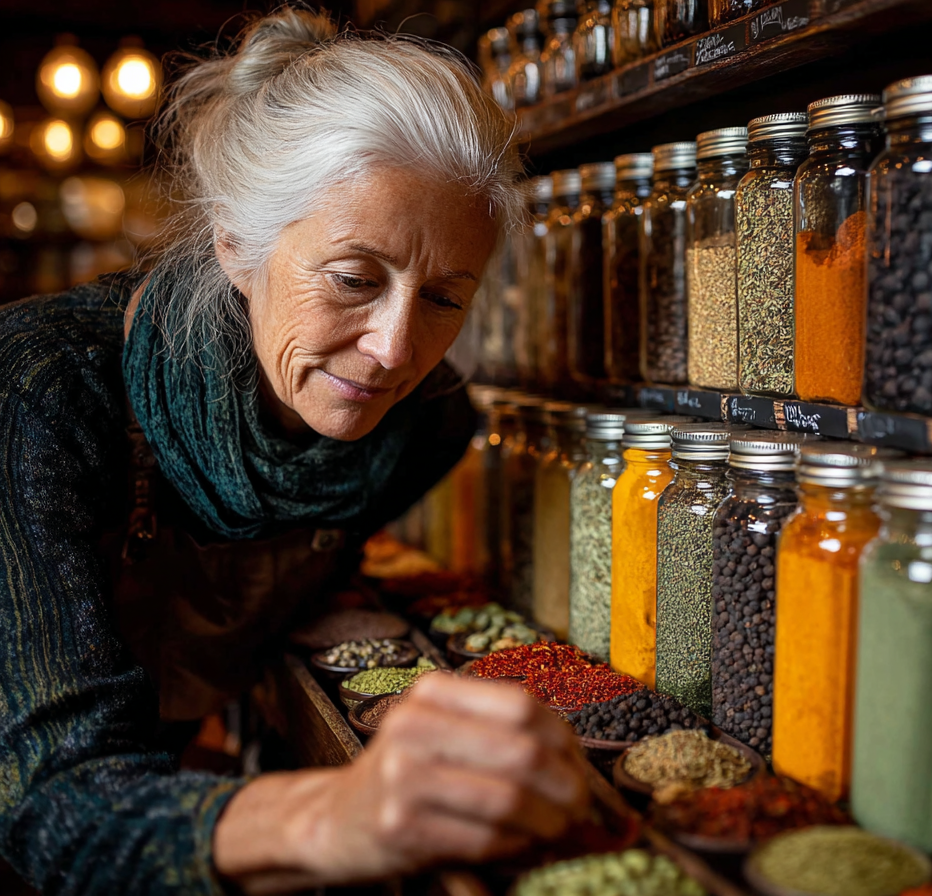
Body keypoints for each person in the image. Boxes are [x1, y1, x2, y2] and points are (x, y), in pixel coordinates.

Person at [0, 9, 588, 895]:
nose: (395, 349)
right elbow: (50, 802)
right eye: (355, 279)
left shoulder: (422, 430)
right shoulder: (41, 395)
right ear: (237, 242)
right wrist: (338, 813)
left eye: (442, 299)